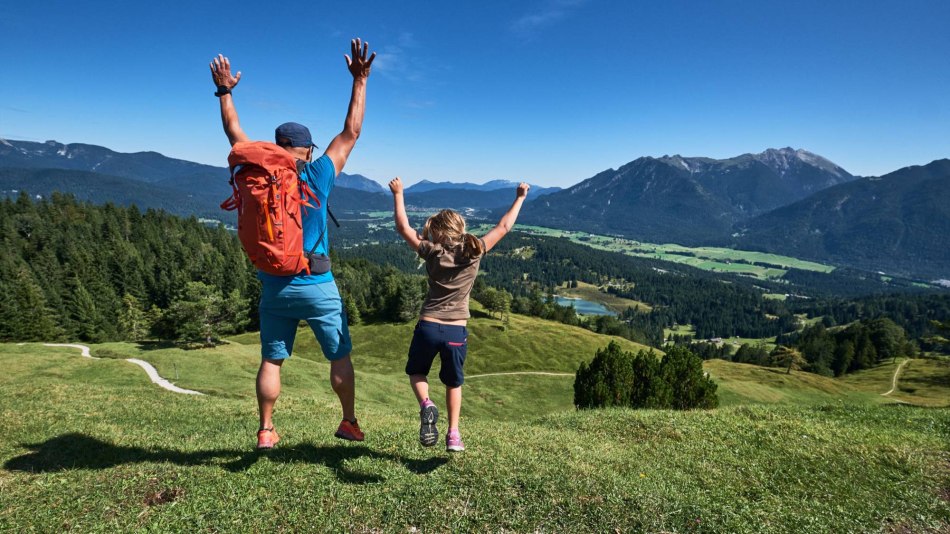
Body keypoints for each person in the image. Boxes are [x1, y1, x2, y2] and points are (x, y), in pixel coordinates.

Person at [209, 39, 375, 450]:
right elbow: (351, 132)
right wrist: (360, 80)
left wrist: (225, 91)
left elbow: (234, 134)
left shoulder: (257, 168)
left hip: (274, 282)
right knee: (339, 356)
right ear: (307, 149)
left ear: (277, 147)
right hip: (317, 282)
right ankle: (349, 422)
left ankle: (266, 430)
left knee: (272, 359)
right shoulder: (317, 173)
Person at [388, 177, 530, 451]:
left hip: (428, 325)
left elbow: (403, 227)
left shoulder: (431, 252)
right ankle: (454, 435)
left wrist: (398, 193)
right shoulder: (474, 251)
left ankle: (427, 405)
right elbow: (504, 226)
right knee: (454, 383)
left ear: (437, 232)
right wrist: (520, 197)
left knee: (417, 372)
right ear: (460, 228)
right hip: (456, 330)